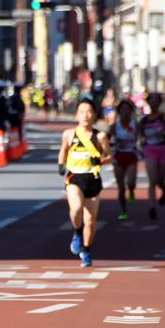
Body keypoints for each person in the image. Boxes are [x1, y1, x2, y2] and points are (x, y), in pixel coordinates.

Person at [58, 99, 112, 267]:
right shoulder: (69, 134)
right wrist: (61, 165)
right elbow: (63, 150)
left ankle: (86, 251)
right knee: (76, 209)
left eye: (89, 112)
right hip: (74, 177)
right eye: (82, 112)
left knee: (90, 221)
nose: (85, 115)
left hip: (92, 178)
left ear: (95, 115)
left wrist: (100, 161)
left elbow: (109, 156)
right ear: (76, 115)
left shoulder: (100, 136)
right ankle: (76, 233)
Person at [138, 92, 165, 220]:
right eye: (151, 100)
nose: (154, 103)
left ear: (159, 103)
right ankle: (152, 207)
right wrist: (142, 140)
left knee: (160, 180)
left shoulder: (163, 118)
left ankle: (164, 190)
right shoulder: (144, 120)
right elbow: (139, 135)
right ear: (148, 102)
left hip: (162, 149)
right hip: (149, 150)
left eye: (156, 100)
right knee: (152, 180)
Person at [108, 100, 139, 221]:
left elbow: (140, 136)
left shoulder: (135, 124)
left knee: (131, 182)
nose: (125, 112)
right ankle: (123, 210)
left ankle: (131, 190)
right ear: (119, 112)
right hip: (119, 156)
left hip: (131, 154)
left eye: (127, 109)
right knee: (121, 187)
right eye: (122, 109)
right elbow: (107, 139)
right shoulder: (115, 125)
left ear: (131, 112)